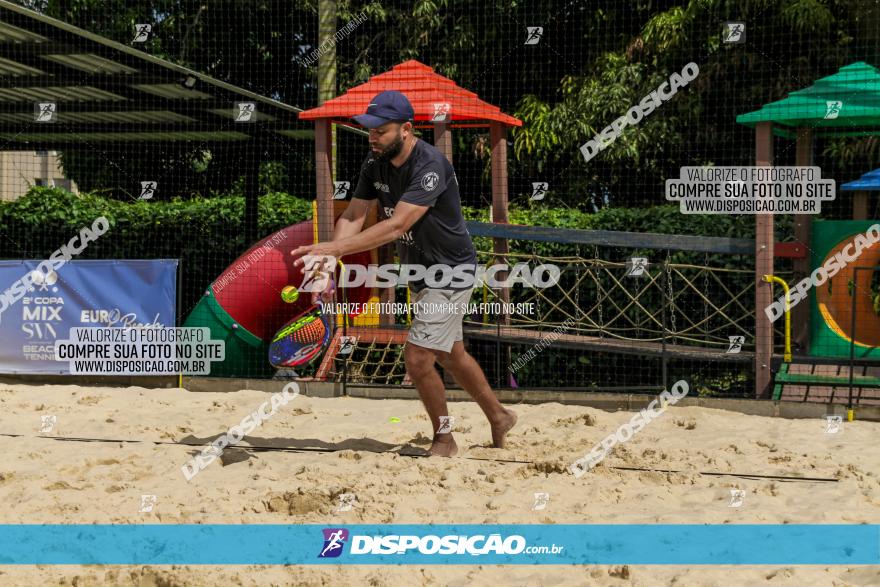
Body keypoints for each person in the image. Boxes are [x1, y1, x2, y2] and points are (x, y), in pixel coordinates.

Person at [290, 90, 516, 457]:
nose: (372, 136)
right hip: (420, 271)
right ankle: (499, 415)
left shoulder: (430, 166)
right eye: (369, 129)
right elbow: (353, 215)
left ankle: (445, 438)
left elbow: (397, 226)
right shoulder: (373, 162)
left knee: (417, 357)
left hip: (451, 271)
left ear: (407, 129)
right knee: (450, 354)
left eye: (381, 130)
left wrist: (333, 249)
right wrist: (332, 257)